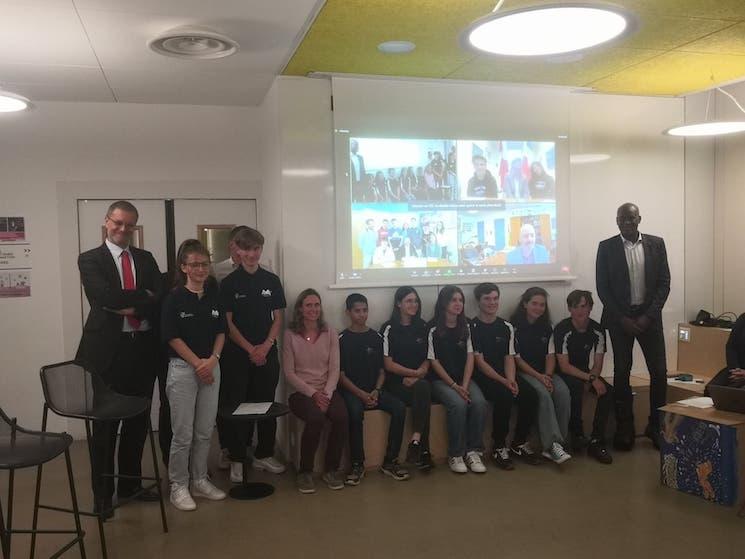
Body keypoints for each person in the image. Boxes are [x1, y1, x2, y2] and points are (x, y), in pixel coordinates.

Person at [76, 200, 163, 516]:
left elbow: (160, 296)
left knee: (138, 423)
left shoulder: (145, 258)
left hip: (142, 350)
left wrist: (133, 305)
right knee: (105, 428)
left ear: (135, 227)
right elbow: (103, 297)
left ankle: (130, 485)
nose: (123, 229)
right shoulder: (90, 260)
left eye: (129, 225)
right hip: (106, 355)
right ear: (107, 222)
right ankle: (102, 496)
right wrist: (144, 297)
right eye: (118, 222)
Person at [596, 202, 670, 450]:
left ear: (639, 219)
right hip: (620, 321)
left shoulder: (656, 244)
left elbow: (664, 283)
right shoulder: (606, 247)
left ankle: (655, 425)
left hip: (649, 318)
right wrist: (622, 319)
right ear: (616, 221)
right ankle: (624, 427)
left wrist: (648, 316)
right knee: (621, 371)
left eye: (631, 218)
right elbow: (603, 288)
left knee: (659, 372)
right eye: (621, 219)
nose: (626, 223)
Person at [161, 240, 227, 510]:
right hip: (183, 370)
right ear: (184, 267)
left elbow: (222, 331)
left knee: (204, 432)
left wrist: (212, 360)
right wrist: (198, 364)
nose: (201, 269)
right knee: (183, 434)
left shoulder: (214, 296)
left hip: (212, 367)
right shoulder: (174, 298)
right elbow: (171, 337)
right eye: (195, 264)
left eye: (204, 264)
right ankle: (179, 485)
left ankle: (200, 479)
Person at [219, 227, 286, 484]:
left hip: (267, 353)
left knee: (266, 403)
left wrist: (266, 347)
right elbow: (228, 323)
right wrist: (251, 350)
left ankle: (264, 453)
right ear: (238, 251)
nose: (252, 254)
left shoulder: (271, 280)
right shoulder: (229, 284)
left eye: (256, 249)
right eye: (247, 249)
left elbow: (278, 317)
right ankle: (237, 457)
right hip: (238, 355)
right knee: (238, 406)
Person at [339, 294, 409, 485]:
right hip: (353, 392)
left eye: (365, 310)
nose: (362, 315)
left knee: (399, 408)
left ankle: (390, 461)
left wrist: (377, 390)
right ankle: (357, 464)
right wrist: (361, 394)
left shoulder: (376, 337)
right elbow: (341, 375)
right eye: (357, 311)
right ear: (348, 313)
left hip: (375, 390)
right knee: (354, 412)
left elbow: (382, 370)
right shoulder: (342, 339)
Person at [284, 289, 348, 493]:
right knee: (316, 418)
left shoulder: (330, 332)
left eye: (316, 305)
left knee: (341, 416)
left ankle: (331, 470)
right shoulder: (290, 334)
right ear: (300, 309)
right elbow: (289, 373)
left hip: (327, 390)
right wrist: (313, 394)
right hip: (301, 394)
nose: (313, 309)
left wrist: (326, 394)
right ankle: (305, 472)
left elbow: (334, 368)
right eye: (308, 305)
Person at [470, 283, 538, 470]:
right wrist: (503, 382)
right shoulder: (472, 326)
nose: (492, 302)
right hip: (483, 375)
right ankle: (498, 446)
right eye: (487, 298)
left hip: (505, 374)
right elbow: (479, 361)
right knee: (504, 395)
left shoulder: (506, 326)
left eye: (495, 298)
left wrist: (511, 380)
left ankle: (519, 443)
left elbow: (509, 357)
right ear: (478, 301)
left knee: (531, 395)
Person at [428, 285, 488, 474]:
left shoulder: (468, 326)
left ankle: (473, 451)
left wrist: (464, 384)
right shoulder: (432, 328)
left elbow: (471, 357)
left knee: (479, 402)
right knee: (458, 404)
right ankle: (455, 454)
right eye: (453, 300)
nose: (458, 304)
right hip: (440, 381)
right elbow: (434, 362)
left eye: (460, 300)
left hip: (464, 379)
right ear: (444, 302)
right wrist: (454, 386)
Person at [511, 287, 572, 465]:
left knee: (562, 393)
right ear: (525, 304)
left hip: (545, 372)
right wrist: (539, 377)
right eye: (534, 304)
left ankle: (557, 445)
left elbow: (550, 355)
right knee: (543, 394)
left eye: (542, 305)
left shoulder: (548, 327)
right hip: (525, 372)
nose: (538, 308)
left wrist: (547, 375)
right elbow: (518, 360)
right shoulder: (513, 327)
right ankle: (552, 444)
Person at [553, 290, 613, 464]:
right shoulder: (562, 328)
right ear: (569, 309)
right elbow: (564, 366)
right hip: (565, 373)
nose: (580, 310)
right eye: (575, 306)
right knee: (575, 387)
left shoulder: (598, 329)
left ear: (590, 307)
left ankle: (596, 440)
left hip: (586, 373)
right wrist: (589, 379)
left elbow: (598, 362)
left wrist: (592, 378)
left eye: (584, 306)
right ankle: (577, 435)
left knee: (607, 391)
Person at [380, 286, 434, 471]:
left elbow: (428, 358)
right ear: (398, 304)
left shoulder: (423, 326)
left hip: (419, 380)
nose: (414, 305)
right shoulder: (388, 328)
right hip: (396, 382)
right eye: (409, 301)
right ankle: (423, 450)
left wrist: (420, 373)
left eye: (416, 301)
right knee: (423, 392)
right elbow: (388, 364)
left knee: (423, 389)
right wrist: (412, 374)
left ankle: (416, 440)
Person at [706, 313, 745, 393]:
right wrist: (735, 370)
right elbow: (731, 346)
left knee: (737, 394)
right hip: (736, 369)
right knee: (710, 390)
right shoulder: (743, 318)